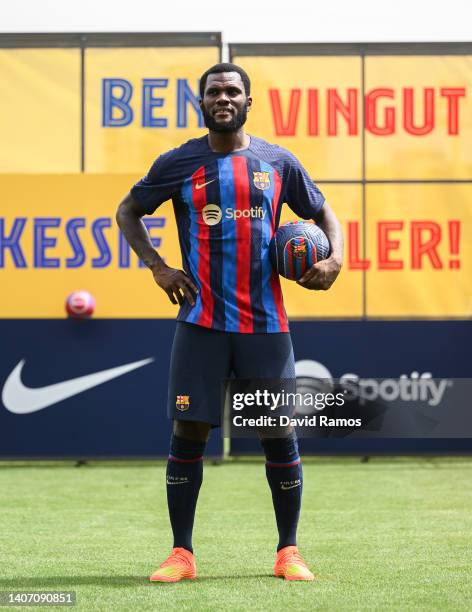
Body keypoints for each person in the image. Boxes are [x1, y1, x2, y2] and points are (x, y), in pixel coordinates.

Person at [116, 62, 343, 583]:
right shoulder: (179, 163)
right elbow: (128, 210)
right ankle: (182, 554)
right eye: (214, 91)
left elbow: (324, 214)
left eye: (233, 91)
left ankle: (288, 551)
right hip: (201, 322)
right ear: (202, 102)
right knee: (189, 430)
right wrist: (158, 266)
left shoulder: (277, 161)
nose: (224, 97)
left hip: (266, 325)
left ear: (248, 101)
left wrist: (333, 260)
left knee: (277, 433)